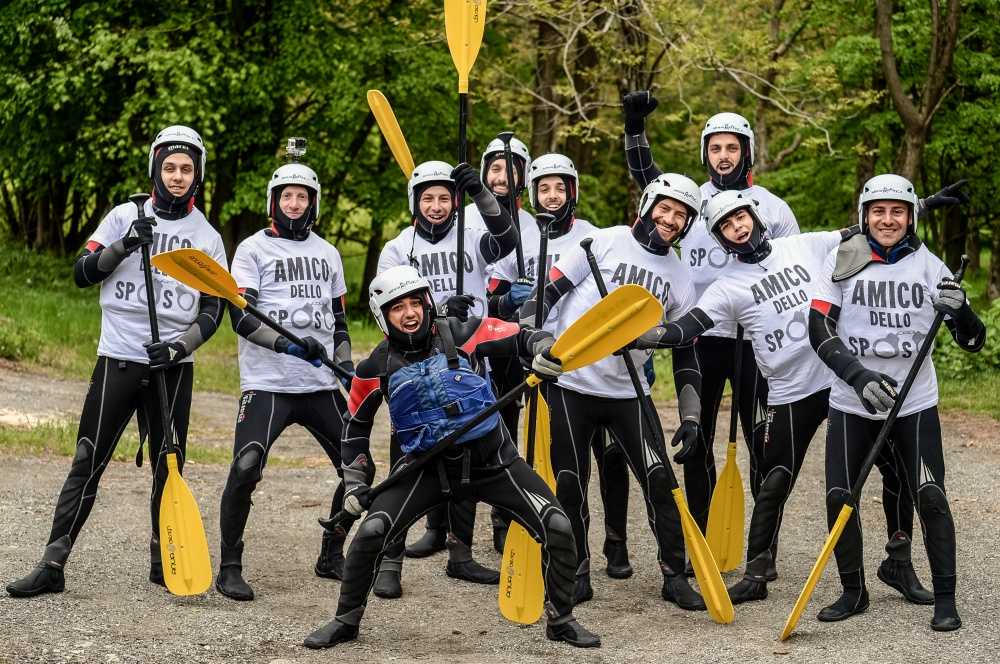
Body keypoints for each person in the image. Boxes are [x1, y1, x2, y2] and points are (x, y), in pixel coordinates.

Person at [631, 190, 931, 605]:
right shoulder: (728, 287)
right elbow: (688, 327)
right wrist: (647, 334)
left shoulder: (804, 245)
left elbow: (867, 230)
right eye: (726, 226)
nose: (737, 227)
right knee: (773, 480)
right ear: (721, 239)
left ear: (754, 215)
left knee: (894, 469)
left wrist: (921, 205)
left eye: (740, 217)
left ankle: (898, 560)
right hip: (791, 392)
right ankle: (757, 573)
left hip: (842, 379)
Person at [302, 265, 600, 649]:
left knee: (557, 525)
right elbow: (354, 432)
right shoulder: (373, 368)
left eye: (416, 303)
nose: (410, 313)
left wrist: (544, 351)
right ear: (382, 316)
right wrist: (356, 486)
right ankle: (346, 620)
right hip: (426, 469)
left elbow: (526, 336)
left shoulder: (464, 332)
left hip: (493, 462)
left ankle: (561, 619)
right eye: (397, 308)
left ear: (428, 303)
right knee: (372, 532)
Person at [6, 126, 226, 597]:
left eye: (187, 168)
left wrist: (180, 347)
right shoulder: (124, 215)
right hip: (119, 360)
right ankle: (52, 562)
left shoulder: (205, 235)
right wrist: (125, 244)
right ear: (155, 168)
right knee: (88, 459)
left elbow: (214, 309)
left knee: (170, 467)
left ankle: (162, 559)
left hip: (171, 367)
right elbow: (82, 272)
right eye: (169, 167)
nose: (178, 176)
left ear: (198, 175)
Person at [622, 92, 800, 578]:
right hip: (699, 341)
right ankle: (699, 540)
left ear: (747, 152)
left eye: (732, 147)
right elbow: (647, 178)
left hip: (755, 348)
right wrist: (634, 127)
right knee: (696, 445)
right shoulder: (692, 202)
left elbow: (792, 273)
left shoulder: (773, 208)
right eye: (715, 148)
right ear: (706, 154)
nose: (724, 156)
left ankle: (763, 551)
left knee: (763, 448)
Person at [520, 172, 706, 609]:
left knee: (660, 480)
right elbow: (542, 297)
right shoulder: (603, 242)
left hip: (630, 394)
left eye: (681, 215)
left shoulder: (680, 276)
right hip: (574, 384)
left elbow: (685, 354)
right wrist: (536, 340)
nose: (671, 219)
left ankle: (673, 574)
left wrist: (691, 413)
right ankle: (576, 571)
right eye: (665, 208)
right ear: (646, 205)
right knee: (570, 483)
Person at [809, 174, 985, 631]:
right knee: (838, 496)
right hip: (852, 401)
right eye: (878, 211)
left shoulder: (930, 265)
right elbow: (819, 330)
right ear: (865, 216)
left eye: (898, 211)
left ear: (910, 218)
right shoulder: (841, 258)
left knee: (930, 495)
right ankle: (854, 591)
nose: (888, 220)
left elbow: (972, 340)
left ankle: (945, 598)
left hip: (913, 403)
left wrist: (962, 309)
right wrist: (859, 376)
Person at [214, 161, 356, 601]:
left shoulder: (329, 253)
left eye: (303, 197)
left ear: (313, 203)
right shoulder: (252, 250)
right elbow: (241, 318)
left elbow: (340, 322)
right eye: (286, 196)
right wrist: (291, 347)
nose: (294, 204)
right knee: (245, 468)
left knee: (358, 471)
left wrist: (348, 370)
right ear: (274, 202)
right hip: (267, 382)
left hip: (319, 386)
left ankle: (331, 554)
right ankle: (230, 567)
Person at [374, 161, 517, 593]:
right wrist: (436, 312)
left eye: (443, 197)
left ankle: (461, 553)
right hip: (413, 362)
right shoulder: (398, 247)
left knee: (467, 453)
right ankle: (389, 560)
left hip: (462, 357)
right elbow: (386, 305)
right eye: (427, 198)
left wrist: (480, 193)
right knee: (406, 456)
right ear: (415, 202)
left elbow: (507, 239)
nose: (435, 206)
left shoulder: (471, 237)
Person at [489, 152, 633, 579]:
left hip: (592, 355)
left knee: (609, 456)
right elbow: (493, 296)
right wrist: (511, 299)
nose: (552, 195)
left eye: (560, 187)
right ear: (532, 192)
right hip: (540, 358)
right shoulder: (518, 234)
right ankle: (571, 547)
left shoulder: (598, 235)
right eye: (543, 188)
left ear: (573, 191)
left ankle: (617, 542)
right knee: (558, 461)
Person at [465, 135, 536, 553]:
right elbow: (470, 287)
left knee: (506, 426)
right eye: (494, 168)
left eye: (510, 169)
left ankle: (504, 517)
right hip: (475, 333)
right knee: (465, 425)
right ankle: (447, 525)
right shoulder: (467, 221)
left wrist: (523, 301)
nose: (502, 176)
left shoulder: (533, 224)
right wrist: (499, 298)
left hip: (511, 341)